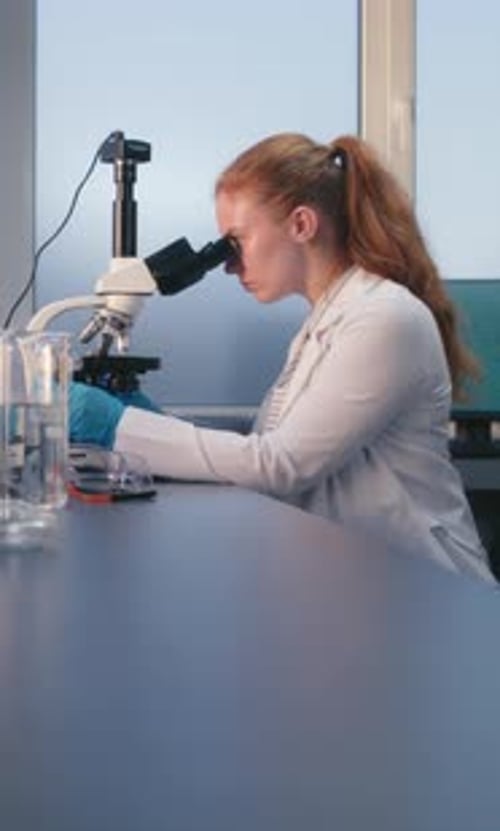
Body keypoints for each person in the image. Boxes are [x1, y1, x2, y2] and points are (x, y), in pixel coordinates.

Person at [70, 132, 496, 585]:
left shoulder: (384, 318)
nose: (228, 265)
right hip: (362, 582)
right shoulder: (327, 321)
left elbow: (281, 465)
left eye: (235, 242)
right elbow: (271, 447)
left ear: (301, 224)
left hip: (429, 588)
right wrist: (152, 425)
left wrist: (115, 425)